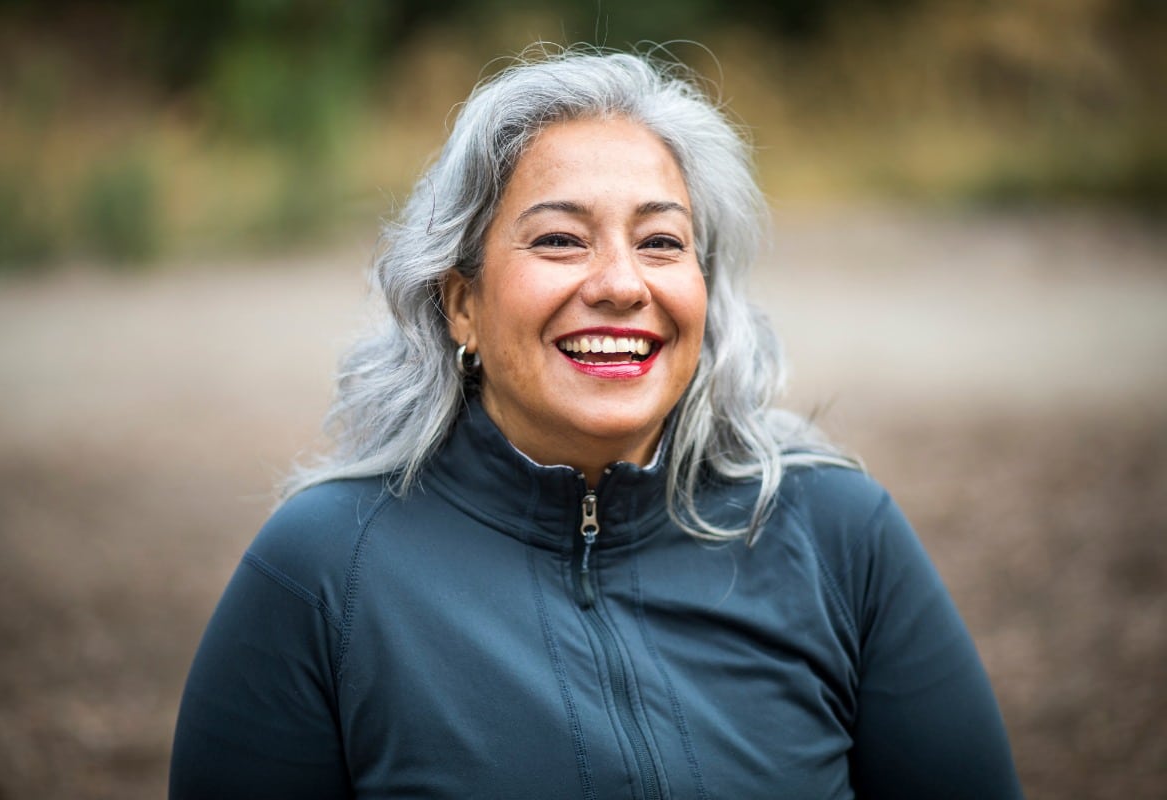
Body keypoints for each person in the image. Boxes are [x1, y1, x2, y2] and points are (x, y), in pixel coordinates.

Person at [169, 45, 1024, 799]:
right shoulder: (324, 572)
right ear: (460, 302)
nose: (622, 283)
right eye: (559, 241)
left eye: (661, 242)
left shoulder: (840, 536)